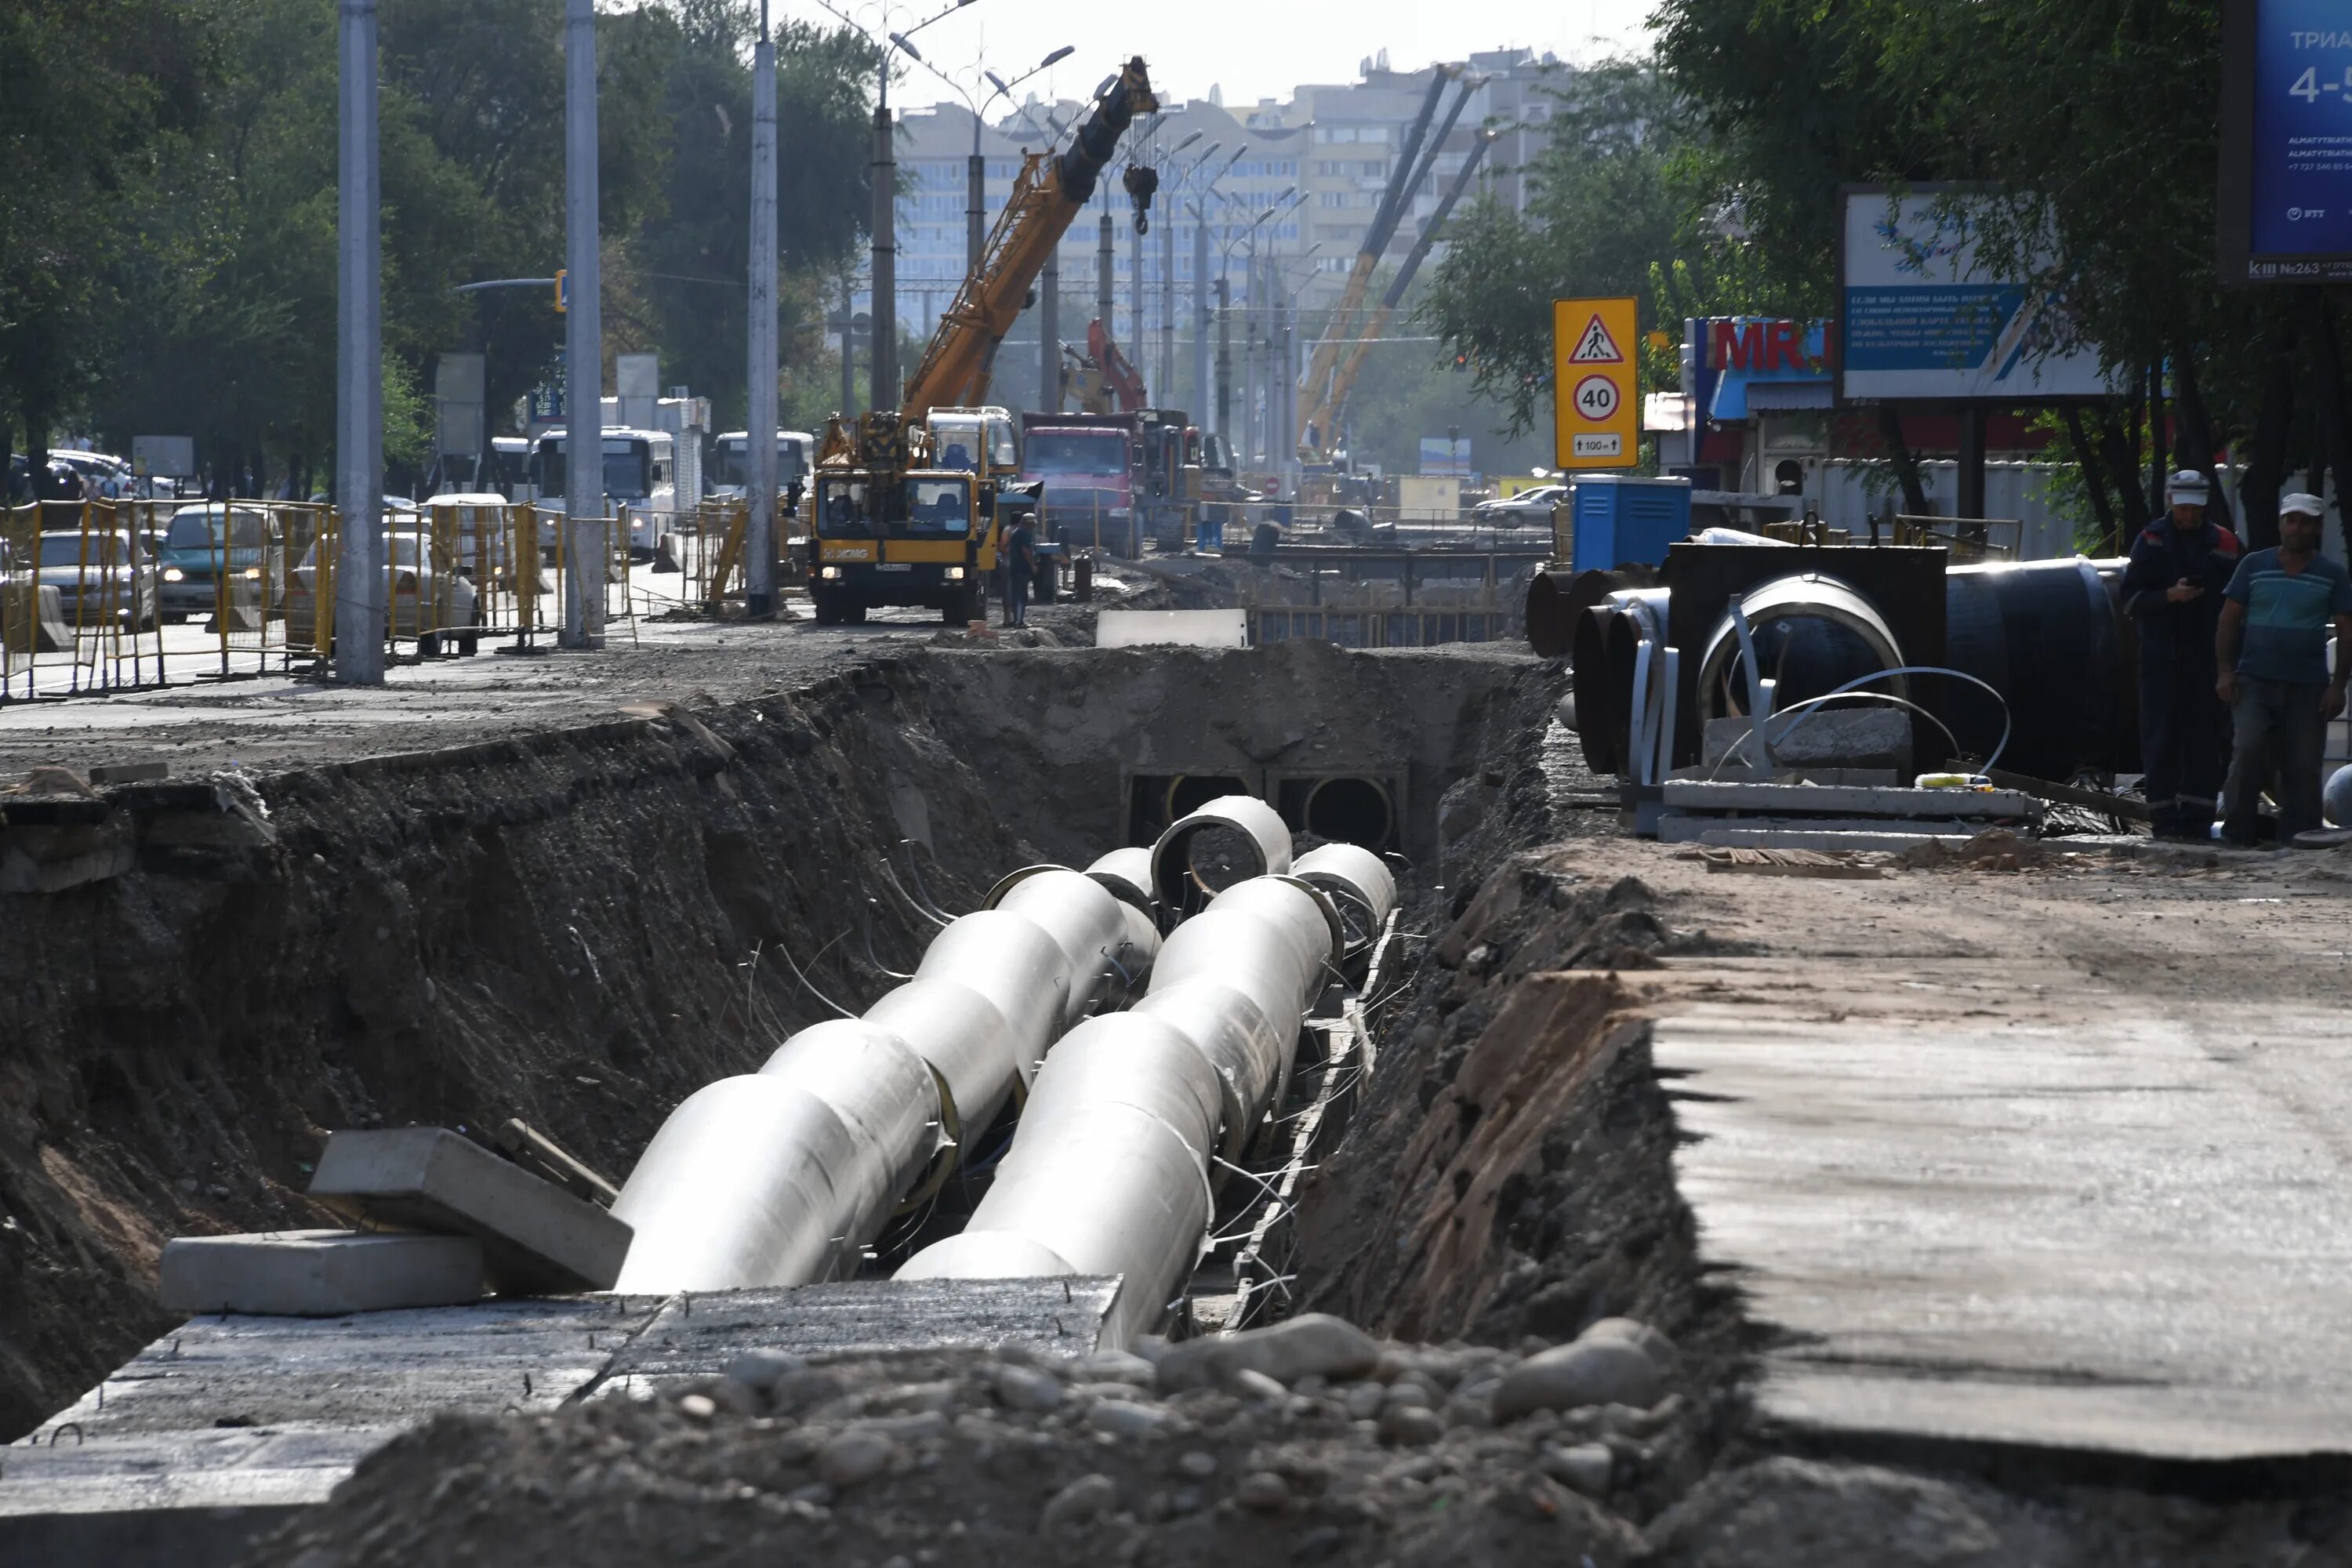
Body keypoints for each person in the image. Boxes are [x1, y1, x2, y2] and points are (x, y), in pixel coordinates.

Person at [2216, 492, 2352, 845]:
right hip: (2254, 680)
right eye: (2291, 520)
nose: (2297, 528)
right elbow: (2229, 619)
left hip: (2306, 684)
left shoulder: (2331, 575)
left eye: (2306, 522)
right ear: (2281, 524)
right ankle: (2237, 833)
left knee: (2303, 763)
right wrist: (2225, 671)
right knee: (2248, 748)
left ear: (2318, 528)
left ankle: (2300, 837)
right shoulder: (2254, 566)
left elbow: (2346, 631)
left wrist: (2338, 685)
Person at [2121, 470, 2241, 840]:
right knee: (2160, 740)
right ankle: (2164, 821)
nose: (2189, 516)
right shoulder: (2151, 539)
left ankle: (2197, 820)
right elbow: (2129, 599)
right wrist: (2168, 596)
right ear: (2171, 500)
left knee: (2205, 741)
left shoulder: (2224, 542)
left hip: (2208, 658)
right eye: (2183, 508)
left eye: (2195, 509)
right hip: (2162, 660)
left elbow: (2242, 598)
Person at [1001, 510, 1036, 628]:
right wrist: (1032, 565)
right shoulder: (1023, 534)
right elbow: (1026, 551)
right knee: (1021, 596)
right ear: (1029, 524)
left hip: (1014, 568)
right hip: (1020, 569)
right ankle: (1019, 621)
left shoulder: (1016, 532)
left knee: (1016, 595)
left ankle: (1017, 620)